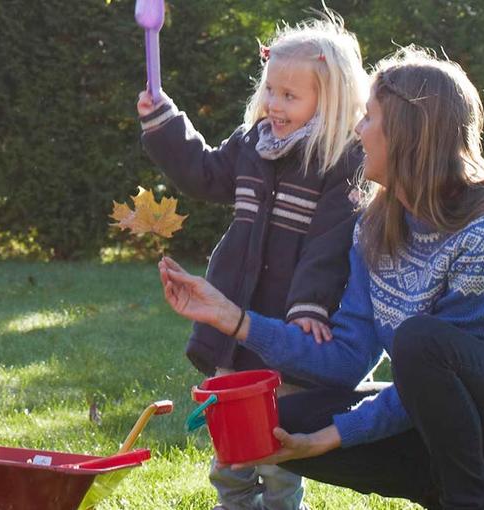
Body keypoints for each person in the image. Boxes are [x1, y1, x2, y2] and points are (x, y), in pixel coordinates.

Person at [157, 47, 484, 510]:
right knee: (284, 420)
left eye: (368, 118)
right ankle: (443, 491)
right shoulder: (375, 229)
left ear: (407, 135)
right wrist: (233, 318)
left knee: (421, 343)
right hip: (459, 421)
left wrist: (338, 434)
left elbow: (456, 378)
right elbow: (345, 361)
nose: (356, 130)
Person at [136, 13, 367, 510]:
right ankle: (234, 503)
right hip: (234, 316)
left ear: (329, 99)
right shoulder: (253, 144)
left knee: (278, 443)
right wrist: (164, 121)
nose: (275, 105)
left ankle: (282, 504)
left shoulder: (340, 163)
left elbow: (330, 247)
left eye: (290, 96)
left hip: (284, 327)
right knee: (232, 441)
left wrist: (309, 307)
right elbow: (202, 173)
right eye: (271, 91)